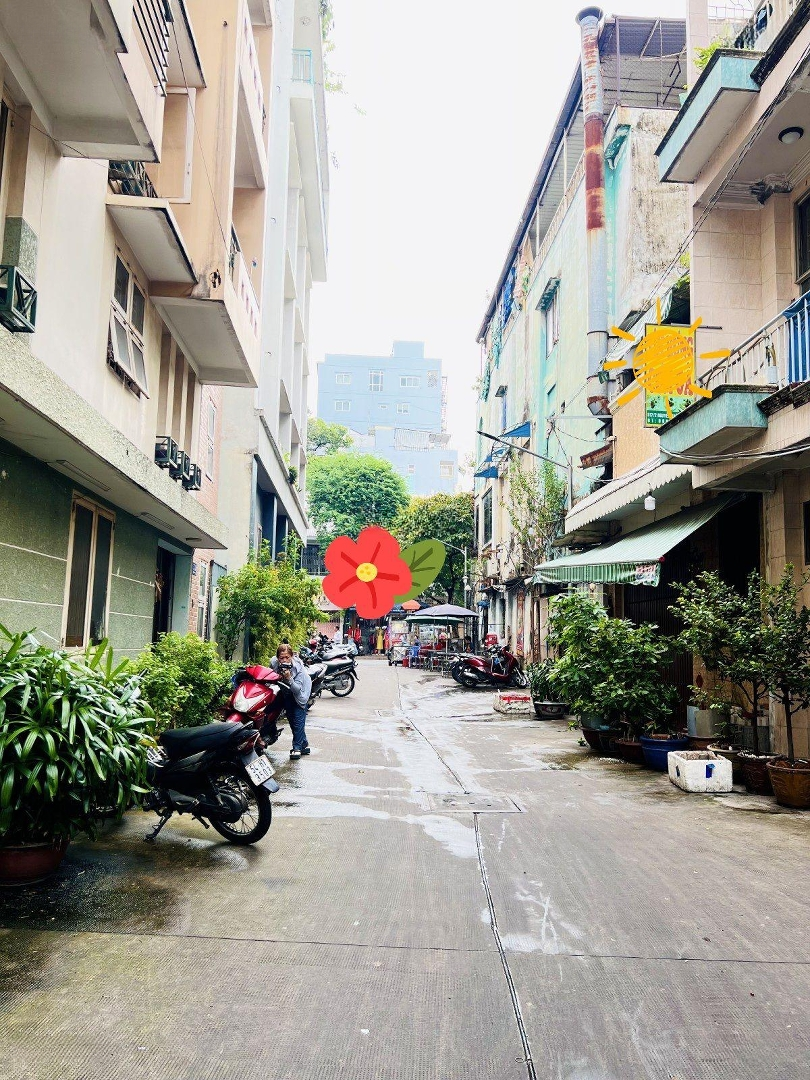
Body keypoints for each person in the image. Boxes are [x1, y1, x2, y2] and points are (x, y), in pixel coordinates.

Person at [270, 644, 312, 760]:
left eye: (287, 657)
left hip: (301, 693)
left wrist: (289, 678)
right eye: (281, 658)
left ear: (291, 656)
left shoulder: (298, 668)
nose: (284, 660)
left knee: (298, 719)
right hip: (287, 693)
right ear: (277, 658)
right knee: (291, 719)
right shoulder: (274, 663)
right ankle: (304, 743)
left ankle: (297, 748)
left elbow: (297, 690)